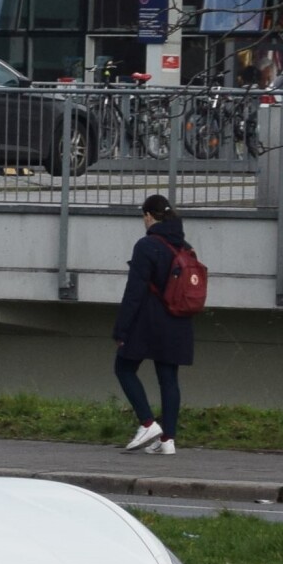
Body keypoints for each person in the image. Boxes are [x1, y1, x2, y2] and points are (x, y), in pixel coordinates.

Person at [112, 194, 193, 455]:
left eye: (143, 218)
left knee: (123, 367)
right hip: (178, 320)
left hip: (148, 321)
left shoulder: (146, 246)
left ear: (148, 216)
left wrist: (121, 329)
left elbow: (134, 292)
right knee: (168, 378)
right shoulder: (184, 246)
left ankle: (147, 423)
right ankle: (168, 440)